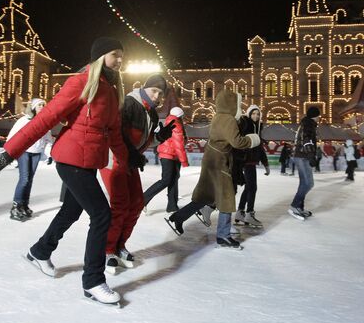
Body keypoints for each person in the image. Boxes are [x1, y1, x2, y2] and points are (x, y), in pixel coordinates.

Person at [0, 36, 128, 305]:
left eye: (122, 55)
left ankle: (40, 251)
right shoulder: (81, 81)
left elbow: (114, 132)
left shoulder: (111, 87)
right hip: (71, 158)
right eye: (114, 54)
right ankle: (93, 282)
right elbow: (47, 117)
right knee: (101, 215)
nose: (119, 60)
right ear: (100, 57)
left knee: (71, 210)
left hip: (88, 160)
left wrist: (126, 160)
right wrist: (9, 151)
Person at [165, 90, 260, 249]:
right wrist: (253, 139)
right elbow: (237, 142)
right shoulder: (228, 120)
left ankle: (177, 218)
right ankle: (223, 236)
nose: (240, 107)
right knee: (226, 197)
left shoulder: (218, 117)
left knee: (205, 196)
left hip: (211, 160)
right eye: (238, 103)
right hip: (219, 163)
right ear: (232, 104)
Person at [100, 74, 173, 272]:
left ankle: (120, 245)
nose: (157, 96)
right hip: (114, 158)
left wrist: (160, 137)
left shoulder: (152, 114)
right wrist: (131, 154)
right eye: (154, 91)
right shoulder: (129, 103)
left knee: (137, 204)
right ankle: (107, 250)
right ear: (144, 88)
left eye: (160, 93)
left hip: (129, 161)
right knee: (120, 204)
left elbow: (144, 141)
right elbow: (117, 134)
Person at [6, 98, 53, 221]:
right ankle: (15, 206)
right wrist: (10, 151)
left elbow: (48, 140)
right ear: (33, 107)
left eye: (44, 104)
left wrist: (49, 154)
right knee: (25, 179)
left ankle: (24, 205)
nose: (42, 106)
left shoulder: (45, 122)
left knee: (29, 180)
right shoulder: (24, 120)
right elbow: (12, 135)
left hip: (36, 153)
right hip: (24, 151)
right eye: (39, 105)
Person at [143, 106, 188, 214]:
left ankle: (172, 206)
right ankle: (143, 199)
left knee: (173, 179)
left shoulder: (171, 121)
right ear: (180, 116)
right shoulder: (176, 124)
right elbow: (179, 145)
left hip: (172, 155)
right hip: (169, 155)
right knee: (166, 180)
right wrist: (184, 161)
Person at [233, 105, 270, 227]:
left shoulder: (258, 127)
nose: (256, 116)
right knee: (252, 187)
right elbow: (239, 140)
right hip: (245, 160)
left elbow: (259, 147)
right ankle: (249, 213)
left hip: (252, 160)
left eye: (258, 114)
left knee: (249, 187)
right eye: (253, 114)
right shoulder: (245, 124)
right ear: (249, 114)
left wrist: (266, 164)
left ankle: (240, 212)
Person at [288, 106, 320, 221]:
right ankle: (294, 206)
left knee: (304, 183)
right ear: (315, 116)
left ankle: (299, 207)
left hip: (301, 156)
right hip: (302, 156)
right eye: (318, 116)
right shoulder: (308, 124)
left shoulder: (307, 124)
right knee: (308, 183)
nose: (319, 118)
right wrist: (311, 156)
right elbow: (307, 141)